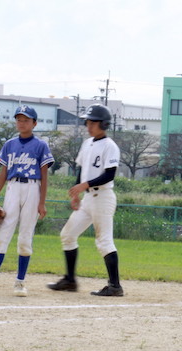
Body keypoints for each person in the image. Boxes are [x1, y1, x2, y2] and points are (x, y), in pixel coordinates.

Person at [0, 105, 54, 296]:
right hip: (13, 188)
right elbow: (3, 173)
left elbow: (45, 176)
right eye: (19, 119)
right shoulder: (10, 144)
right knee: (1, 235)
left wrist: (42, 202)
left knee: (25, 236)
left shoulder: (41, 145)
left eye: (26, 120)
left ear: (34, 123)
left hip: (33, 188)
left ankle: (20, 282)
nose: (21, 123)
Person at [47, 104, 124, 297]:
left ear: (104, 124)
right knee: (67, 235)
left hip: (103, 198)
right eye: (88, 121)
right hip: (88, 199)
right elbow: (81, 169)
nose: (88, 125)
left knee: (104, 241)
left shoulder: (110, 146)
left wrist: (84, 185)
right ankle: (70, 281)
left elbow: (109, 175)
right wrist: (76, 193)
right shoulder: (87, 143)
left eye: (93, 122)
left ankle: (115, 286)